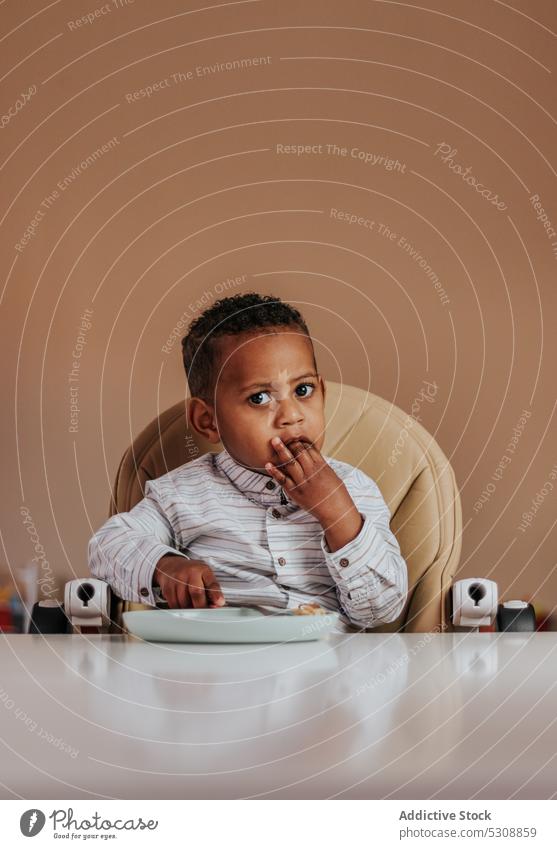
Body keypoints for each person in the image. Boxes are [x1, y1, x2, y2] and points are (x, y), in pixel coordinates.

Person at [88, 292, 408, 631]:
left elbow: (380, 610)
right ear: (208, 421)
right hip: (216, 670)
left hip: (325, 672)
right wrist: (165, 567)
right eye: (259, 398)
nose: (291, 415)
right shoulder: (182, 494)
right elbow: (107, 546)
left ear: (322, 394)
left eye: (303, 391)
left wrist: (338, 515)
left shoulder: (355, 490)